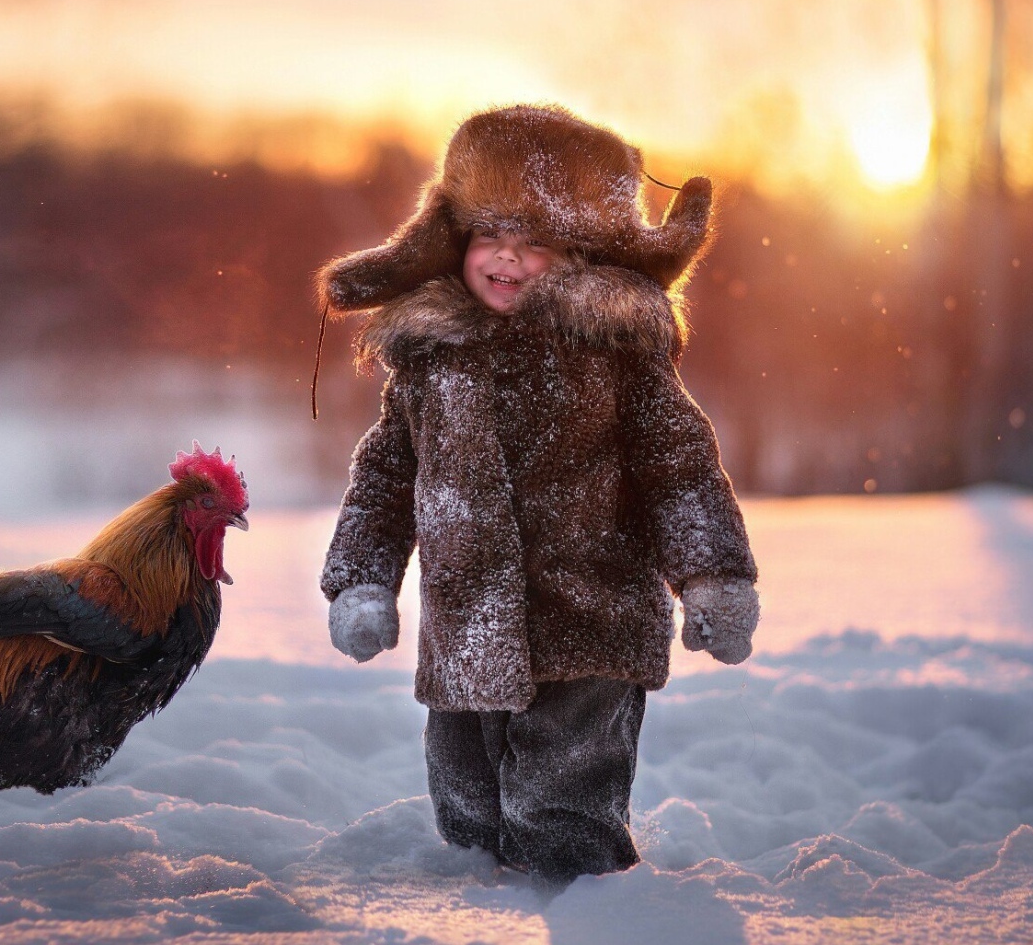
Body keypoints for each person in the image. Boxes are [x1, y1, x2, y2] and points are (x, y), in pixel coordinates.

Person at [316, 104, 759, 888]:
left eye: (539, 243)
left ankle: (585, 913)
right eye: (489, 235)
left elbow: (678, 470)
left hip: (590, 623)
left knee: (561, 816)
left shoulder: (618, 355)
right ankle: (476, 916)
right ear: (452, 241)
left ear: (586, 254)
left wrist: (711, 575)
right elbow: (385, 480)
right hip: (465, 632)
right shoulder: (429, 360)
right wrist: (361, 580)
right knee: (467, 817)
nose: (508, 258)